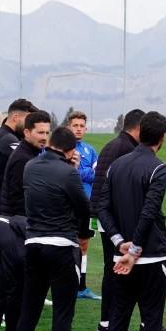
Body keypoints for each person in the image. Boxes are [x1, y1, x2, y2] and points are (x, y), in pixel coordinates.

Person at [97, 112, 166, 331]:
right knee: (152, 320)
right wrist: (136, 249)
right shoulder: (159, 168)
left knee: (118, 318)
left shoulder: (117, 166)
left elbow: (102, 207)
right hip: (152, 256)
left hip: (122, 256)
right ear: (162, 138)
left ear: (140, 132)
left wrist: (120, 243)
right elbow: (149, 211)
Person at [13, 126, 93, 331]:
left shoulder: (31, 167)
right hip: (61, 245)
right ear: (71, 151)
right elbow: (84, 207)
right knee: (62, 313)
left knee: (29, 309)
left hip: (33, 243)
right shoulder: (69, 173)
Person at [91, 109, 144, 331]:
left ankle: (107, 321)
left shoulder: (114, 144)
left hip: (105, 216)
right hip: (114, 218)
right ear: (139, 128)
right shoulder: (126, 149)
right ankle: (113, 323)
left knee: (111, 269)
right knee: (121, 269)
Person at [67, 111, 101, 301]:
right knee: (64, 243)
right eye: (75, 125)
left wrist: (79, 170)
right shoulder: (61, 148)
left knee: (84, 244)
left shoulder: (90, 150)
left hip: (86, 204)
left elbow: (95, 175)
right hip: (66, 204)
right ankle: (64, 284)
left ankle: (82, 286)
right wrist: (82, 171)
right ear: (68, 127)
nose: (79, 129)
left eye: (82, 126)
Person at [0, 98, 37, 215]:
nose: (29, 125)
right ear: (16, 117)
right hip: (3, 209)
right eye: (27, 119)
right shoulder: (9, 140)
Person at [0, 110, 51, 217]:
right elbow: (19, 199)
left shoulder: (32, 154)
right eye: (40, 132)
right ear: (27, 133)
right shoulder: (23, 159)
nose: (44, 138)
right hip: (18, 225)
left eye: (47, 133)